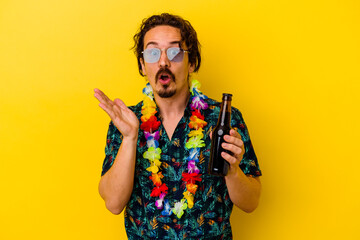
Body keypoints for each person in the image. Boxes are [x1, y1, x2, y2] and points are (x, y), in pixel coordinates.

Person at [94, 13, 262, 239]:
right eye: (153, 53)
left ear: (191, 62)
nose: (163, 61)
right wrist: (130, 138)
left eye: (174, 52)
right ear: (143, 65)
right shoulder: (126, 121)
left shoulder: (222, 118)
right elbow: (113, 204)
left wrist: (231, 170)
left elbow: (251, 202)